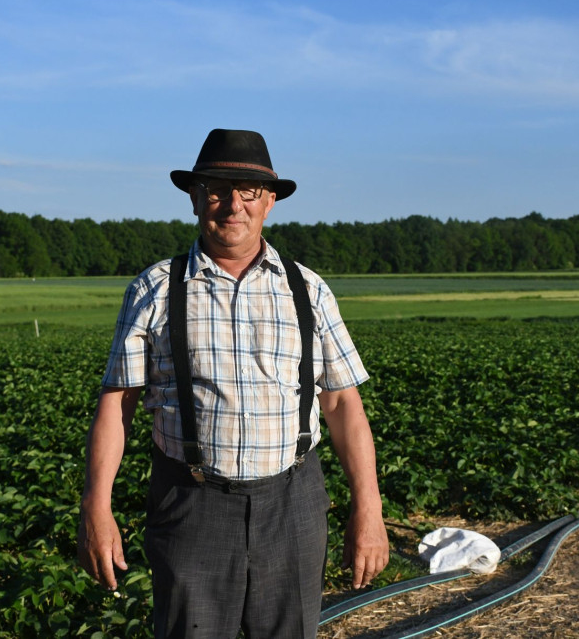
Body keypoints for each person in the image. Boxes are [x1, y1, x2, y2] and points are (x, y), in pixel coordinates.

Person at [78, 129, 389, 638]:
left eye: (247, 192)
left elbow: (342, 406)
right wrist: (95, 507)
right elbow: (117, 406)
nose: (232, 205)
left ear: (268, 202)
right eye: (218, 189)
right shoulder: (155, 289)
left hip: (294, 502)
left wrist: (368, 509)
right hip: (191, 503)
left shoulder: (307, 288)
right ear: (196, 198)